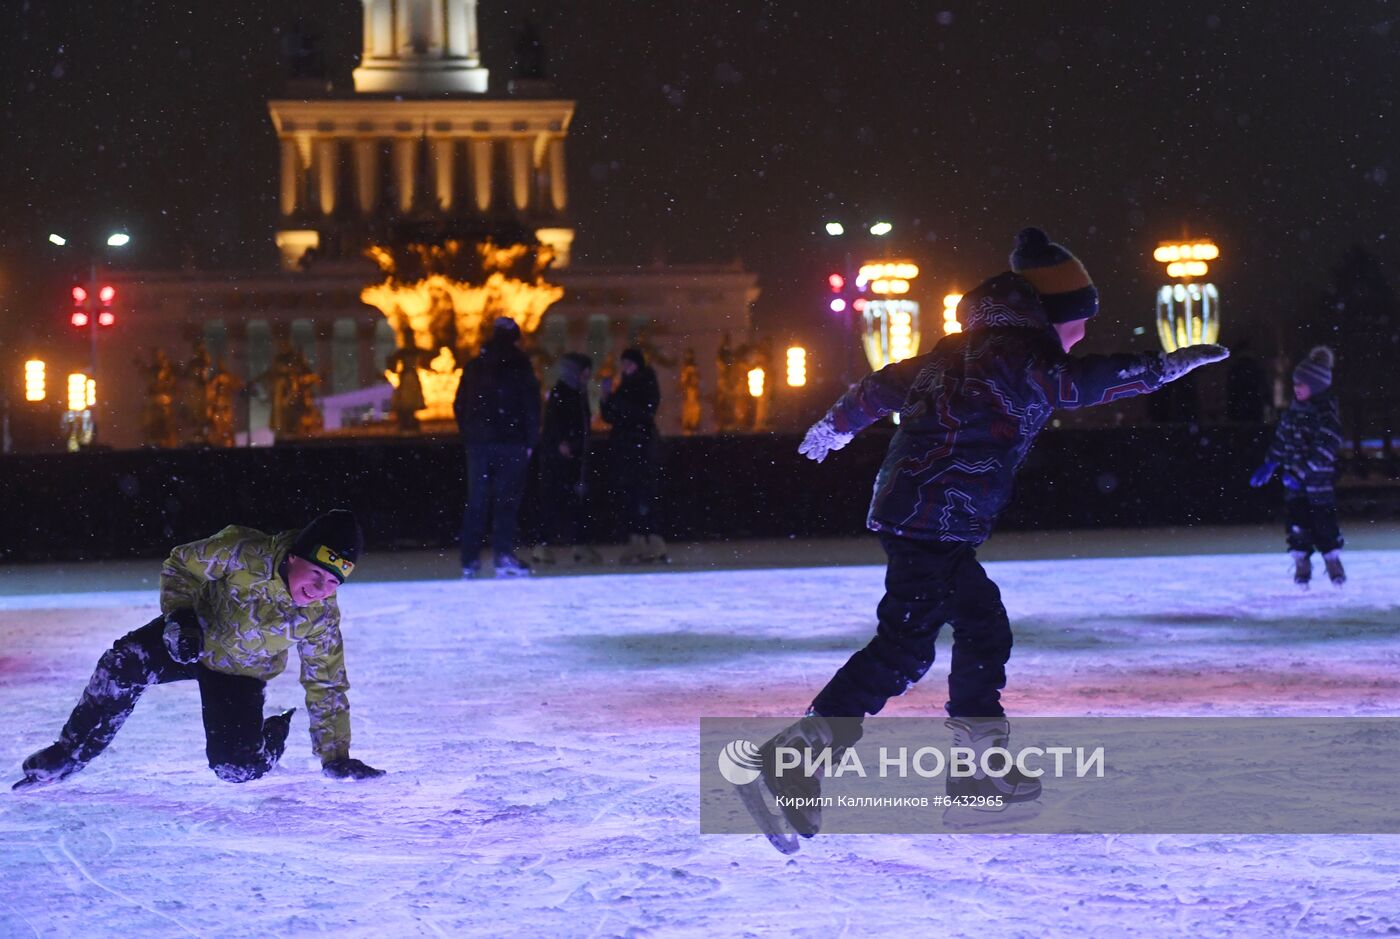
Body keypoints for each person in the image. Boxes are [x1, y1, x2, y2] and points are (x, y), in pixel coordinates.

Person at [744, 227, 1229, 842]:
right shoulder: (1025, 361)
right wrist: (1161, 369)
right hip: (934, 521)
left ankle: (977, 767)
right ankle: (793, 763)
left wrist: (836, 425)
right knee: (904, 648)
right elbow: (1085, 384)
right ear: (1050, 318)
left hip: (921, 515)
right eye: (1078, 324)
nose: (1080, 338)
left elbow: (879, 385)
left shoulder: (955, 351)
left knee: (980, 624)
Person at [14, 510, 384, 790]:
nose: (320, 589)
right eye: (316, 574)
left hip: (239, 672)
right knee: (124, 663)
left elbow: (327, 683)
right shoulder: (243, 551)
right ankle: (69, 753)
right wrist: (180, 616)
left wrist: (335, 756)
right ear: (293, 556)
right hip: (192, 638)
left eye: (333, 583)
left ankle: (273, 735)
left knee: (235, 770)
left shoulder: (320, 616)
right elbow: (181, 565)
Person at [1250, 346, 1344, 587]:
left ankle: (1332, 560)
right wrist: (1271, 461)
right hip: (1294, 485)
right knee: (1297, 524)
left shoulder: (1326, 415)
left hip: (1317, 484)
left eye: (1302, 384)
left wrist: (1299, 473)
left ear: (1316, 386)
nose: (1297, 388)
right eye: (1295, 384)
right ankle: (1302, 562)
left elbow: (1325, 448)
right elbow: (1283, 439)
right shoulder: (1292, 413)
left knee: (1325, 524)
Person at [455, 316, 541, 577]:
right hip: (511, 443)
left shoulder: (475, 365)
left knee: (477, 501)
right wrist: (530, 440)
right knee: (506, 501)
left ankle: (469, 560)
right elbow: (531, 404)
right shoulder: (520, 365)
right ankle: (502, 555)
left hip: (480, 443)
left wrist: (470, 433)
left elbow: (459, 404)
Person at [601, 347, 666, 563]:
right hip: (629, 447)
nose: (624, 368)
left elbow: (640, 412)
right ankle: (639, 541)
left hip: (639, 447)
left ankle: (650, 542)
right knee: (632, 496)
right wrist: (606, 397)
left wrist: (614, 402)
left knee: (642, 495)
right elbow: (611, 416)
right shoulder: (628, 386)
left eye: (628, 363)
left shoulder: (643, 383)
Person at [533, 353, 593, 565]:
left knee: (567, 500)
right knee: (560, 499)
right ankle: (548, 544)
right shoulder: (566, 393)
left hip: (569, 455)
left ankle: (559, 544)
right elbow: (555, 423)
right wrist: (563, 443)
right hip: (563, 457)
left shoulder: (574, 392)